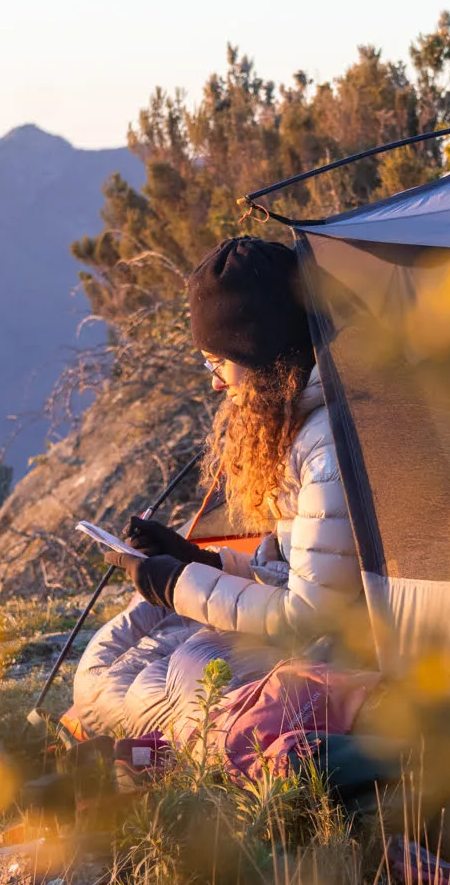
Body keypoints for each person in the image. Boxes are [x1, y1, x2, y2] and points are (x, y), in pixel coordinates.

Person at [70, 235, 365, 741]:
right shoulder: (299, 426)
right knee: (119, 655)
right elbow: (298, 575)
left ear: (261, 353)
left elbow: (311, 616)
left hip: (336, 652)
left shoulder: (326, 445)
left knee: (182, 671)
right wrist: (202, 561)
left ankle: (161, 751)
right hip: (306, 635)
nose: (214, 383)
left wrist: (177, 583)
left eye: (217, 362)